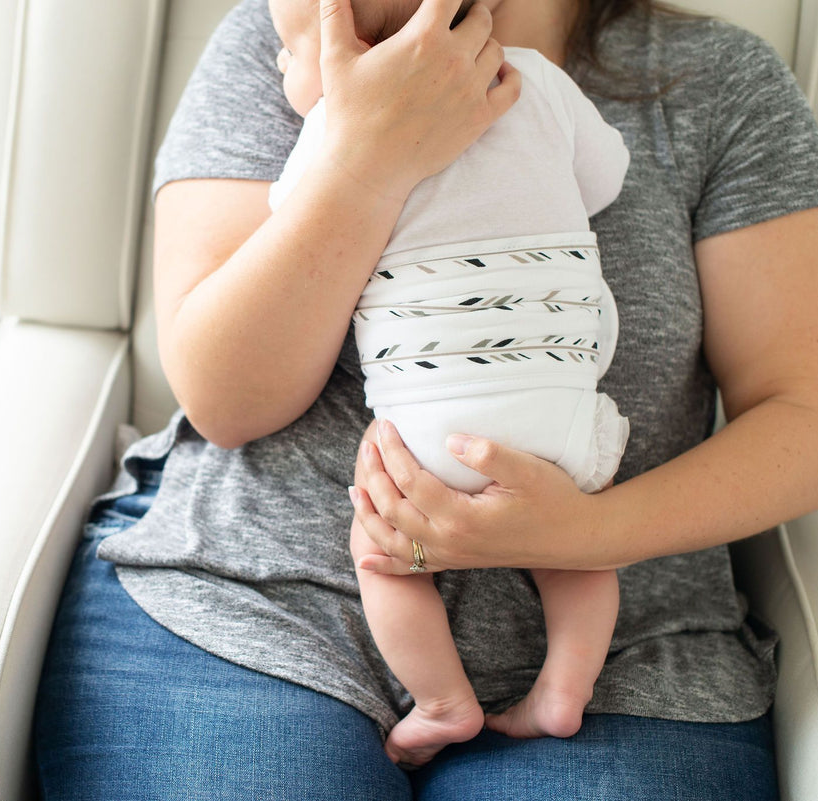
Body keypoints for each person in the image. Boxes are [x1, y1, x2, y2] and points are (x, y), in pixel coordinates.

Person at [32, 0, 818, 797]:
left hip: (630, 659)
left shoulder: (715, 82)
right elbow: (227, 402)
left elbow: (804, 410)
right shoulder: (299, 32)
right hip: (260, 606)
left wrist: (590, 533)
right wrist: (366, 157)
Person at [268, 0, 630, 765]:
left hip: (428, 442)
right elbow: (605, 180)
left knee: (380, 549)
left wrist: (358, 156)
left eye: (289, 51)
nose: (276, 67)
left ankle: (441, 701)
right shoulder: (535, 79)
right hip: (562, 418)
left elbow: (291, 221)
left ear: (354, 50)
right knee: (584, 544)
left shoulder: (333, 131)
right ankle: (565, 687)